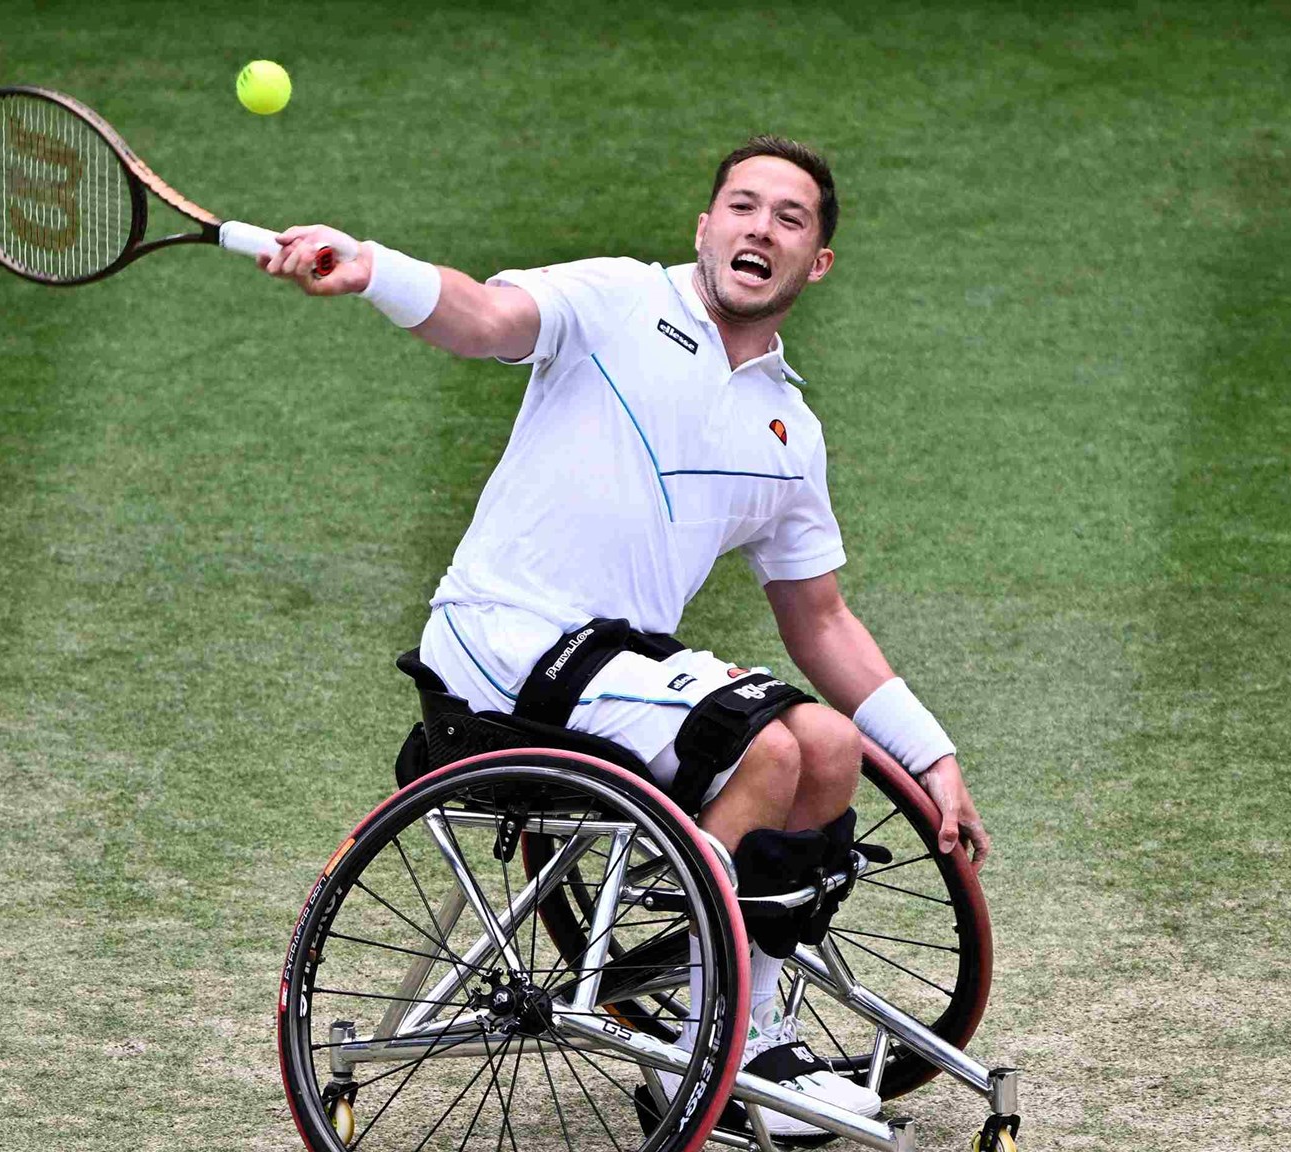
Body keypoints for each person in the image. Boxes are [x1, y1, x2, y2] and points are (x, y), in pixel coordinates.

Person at [258, 135, 992, 1137]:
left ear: (814, 263)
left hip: (613, 668)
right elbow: (481, 316)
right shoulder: (613, 299)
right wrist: (371, 266)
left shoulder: (788, 430)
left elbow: (818, 619)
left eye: (788, 218)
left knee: (827, 744)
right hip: (497, 647)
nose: (758, 228)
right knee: (766, 744)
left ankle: (733, 1027)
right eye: (740, 205)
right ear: (703, 225)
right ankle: (702, 1011)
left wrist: (933, 756)